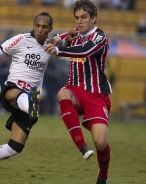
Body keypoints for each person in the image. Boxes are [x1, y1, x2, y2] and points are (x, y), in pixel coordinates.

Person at [0, 12, 53, 184]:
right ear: (33, 25)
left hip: (30, 99)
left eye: (44, 27)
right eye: (37, 25)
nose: (40, 29)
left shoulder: (51, 48)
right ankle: (31, 104)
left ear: (50, 29)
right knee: (20, 94)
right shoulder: (21, 39)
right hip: (13, 89)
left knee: (15, 147)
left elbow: (67, 45)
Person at [44, 1, 112, 184]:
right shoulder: (73, 35)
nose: (80, 21)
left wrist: (59, 48)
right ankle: (82, 146)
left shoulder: (99, 37)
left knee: (101, 141)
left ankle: (103, 174)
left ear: (93, 18)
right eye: (77, 17)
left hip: (96, 94)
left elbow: (85, 51)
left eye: (84, 17)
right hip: (75, 89)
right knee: (62, 94)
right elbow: (56, 38)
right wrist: (56, 40)